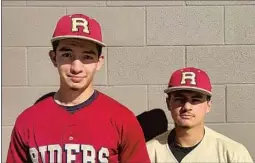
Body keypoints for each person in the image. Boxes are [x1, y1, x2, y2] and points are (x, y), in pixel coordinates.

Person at [6, 13, 150, 163]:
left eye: (87, 57)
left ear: (99, 62)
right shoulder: (28, 121)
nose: (76, 67)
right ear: (54, 57)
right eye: (67, 55)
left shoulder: (123, 119)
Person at [146, 67, 254, 163]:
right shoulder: (149, 152)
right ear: (168, 103)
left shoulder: (233, 153)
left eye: (195, 100)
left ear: (208, 105)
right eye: (179, 99)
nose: (187, 106)